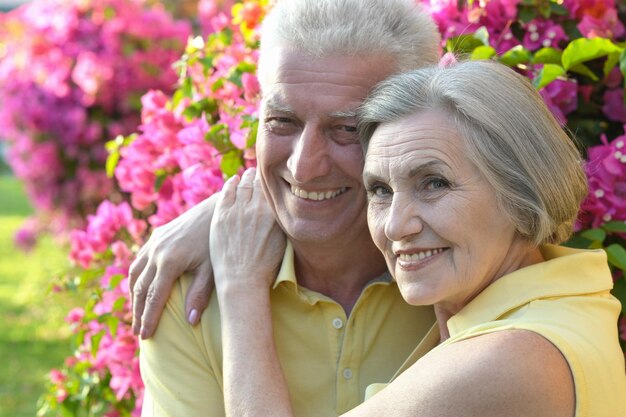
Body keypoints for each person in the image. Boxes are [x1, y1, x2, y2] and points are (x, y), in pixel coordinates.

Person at [210, 59, 626, 417]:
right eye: (380, 191)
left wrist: (240, 285)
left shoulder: (513, 356)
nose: (394, 226)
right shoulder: (568, 301)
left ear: (522, 192)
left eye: (433, 184)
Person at [138, 0, 443, 415]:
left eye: (347, 129)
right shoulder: (190, 292)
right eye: (282, 121)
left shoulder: (464, 265)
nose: (304, 166)